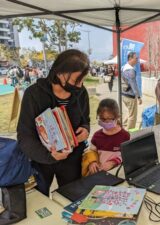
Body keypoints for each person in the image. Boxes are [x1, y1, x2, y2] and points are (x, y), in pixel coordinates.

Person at [17, 49, 90, 196]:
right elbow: (25, 136)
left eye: (82, 80)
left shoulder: (81, 93)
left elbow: (85, 120)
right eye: (76, 80)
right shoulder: (34, 94)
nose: (80, 85)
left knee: (71, 198)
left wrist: (85, 129)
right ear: (59, 73)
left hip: (72, 160)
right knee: (39, 203)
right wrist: (48, 156)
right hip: (41, 161)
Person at [81, 98, 130, 176]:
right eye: (102, 119)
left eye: (109, 119)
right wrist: (92, 162)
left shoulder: (125, 136)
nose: (105, 122)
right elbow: (91, 152)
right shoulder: (97, 136)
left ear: (117, 117)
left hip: (118, 173)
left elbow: (127, 156)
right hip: (100, 173)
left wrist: (113, 162)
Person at [121, 52, 142, 130]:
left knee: (130, 112)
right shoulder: (130, 70)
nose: (137, 60)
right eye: (136, 58)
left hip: (123, 94)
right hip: (130, 96)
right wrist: (139, 97)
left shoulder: (123, 67)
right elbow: (134, 85)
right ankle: (129, 134)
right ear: (130, 59)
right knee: (133, 116)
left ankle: (124, 125)